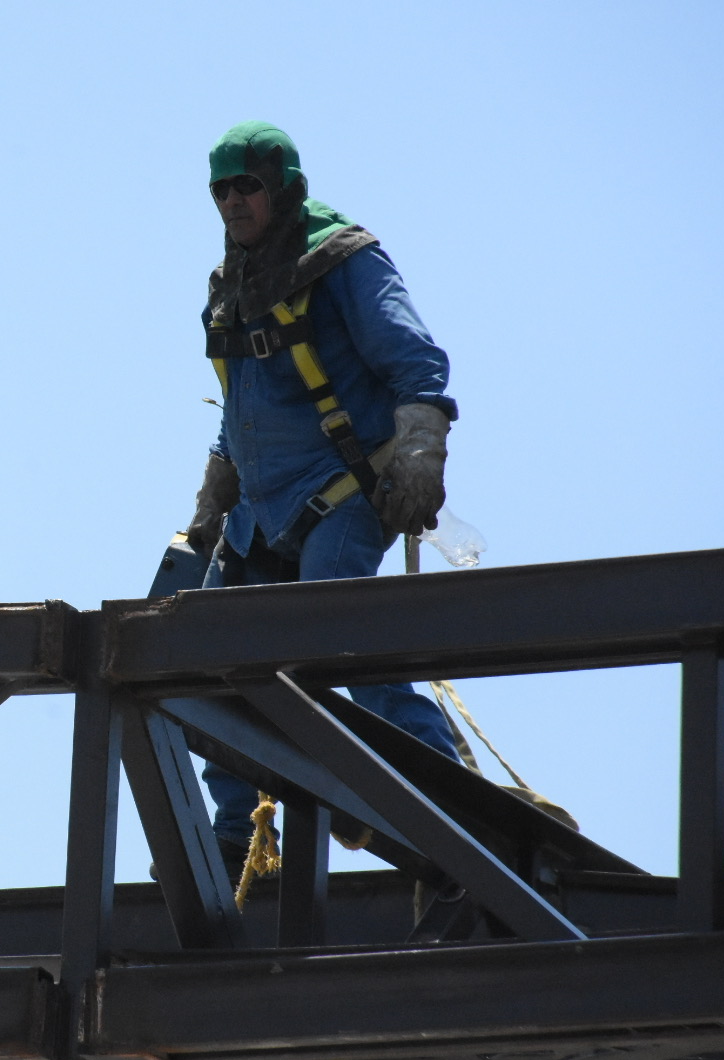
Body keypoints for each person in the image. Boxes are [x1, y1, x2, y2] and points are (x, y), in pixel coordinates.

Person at [187, 121, 461, 873]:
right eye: (220, 189)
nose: (233, 202)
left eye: (247, 185)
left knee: (342, 651)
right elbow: (241, 414)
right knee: (200, 666)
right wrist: (213, 505)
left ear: (282, 185)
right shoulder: (230, 290)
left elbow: (416, 362)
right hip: (258, 515)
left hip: (338, 495)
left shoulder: (343, 259)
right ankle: (242, 836)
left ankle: (453, 808)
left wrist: (418, 453)